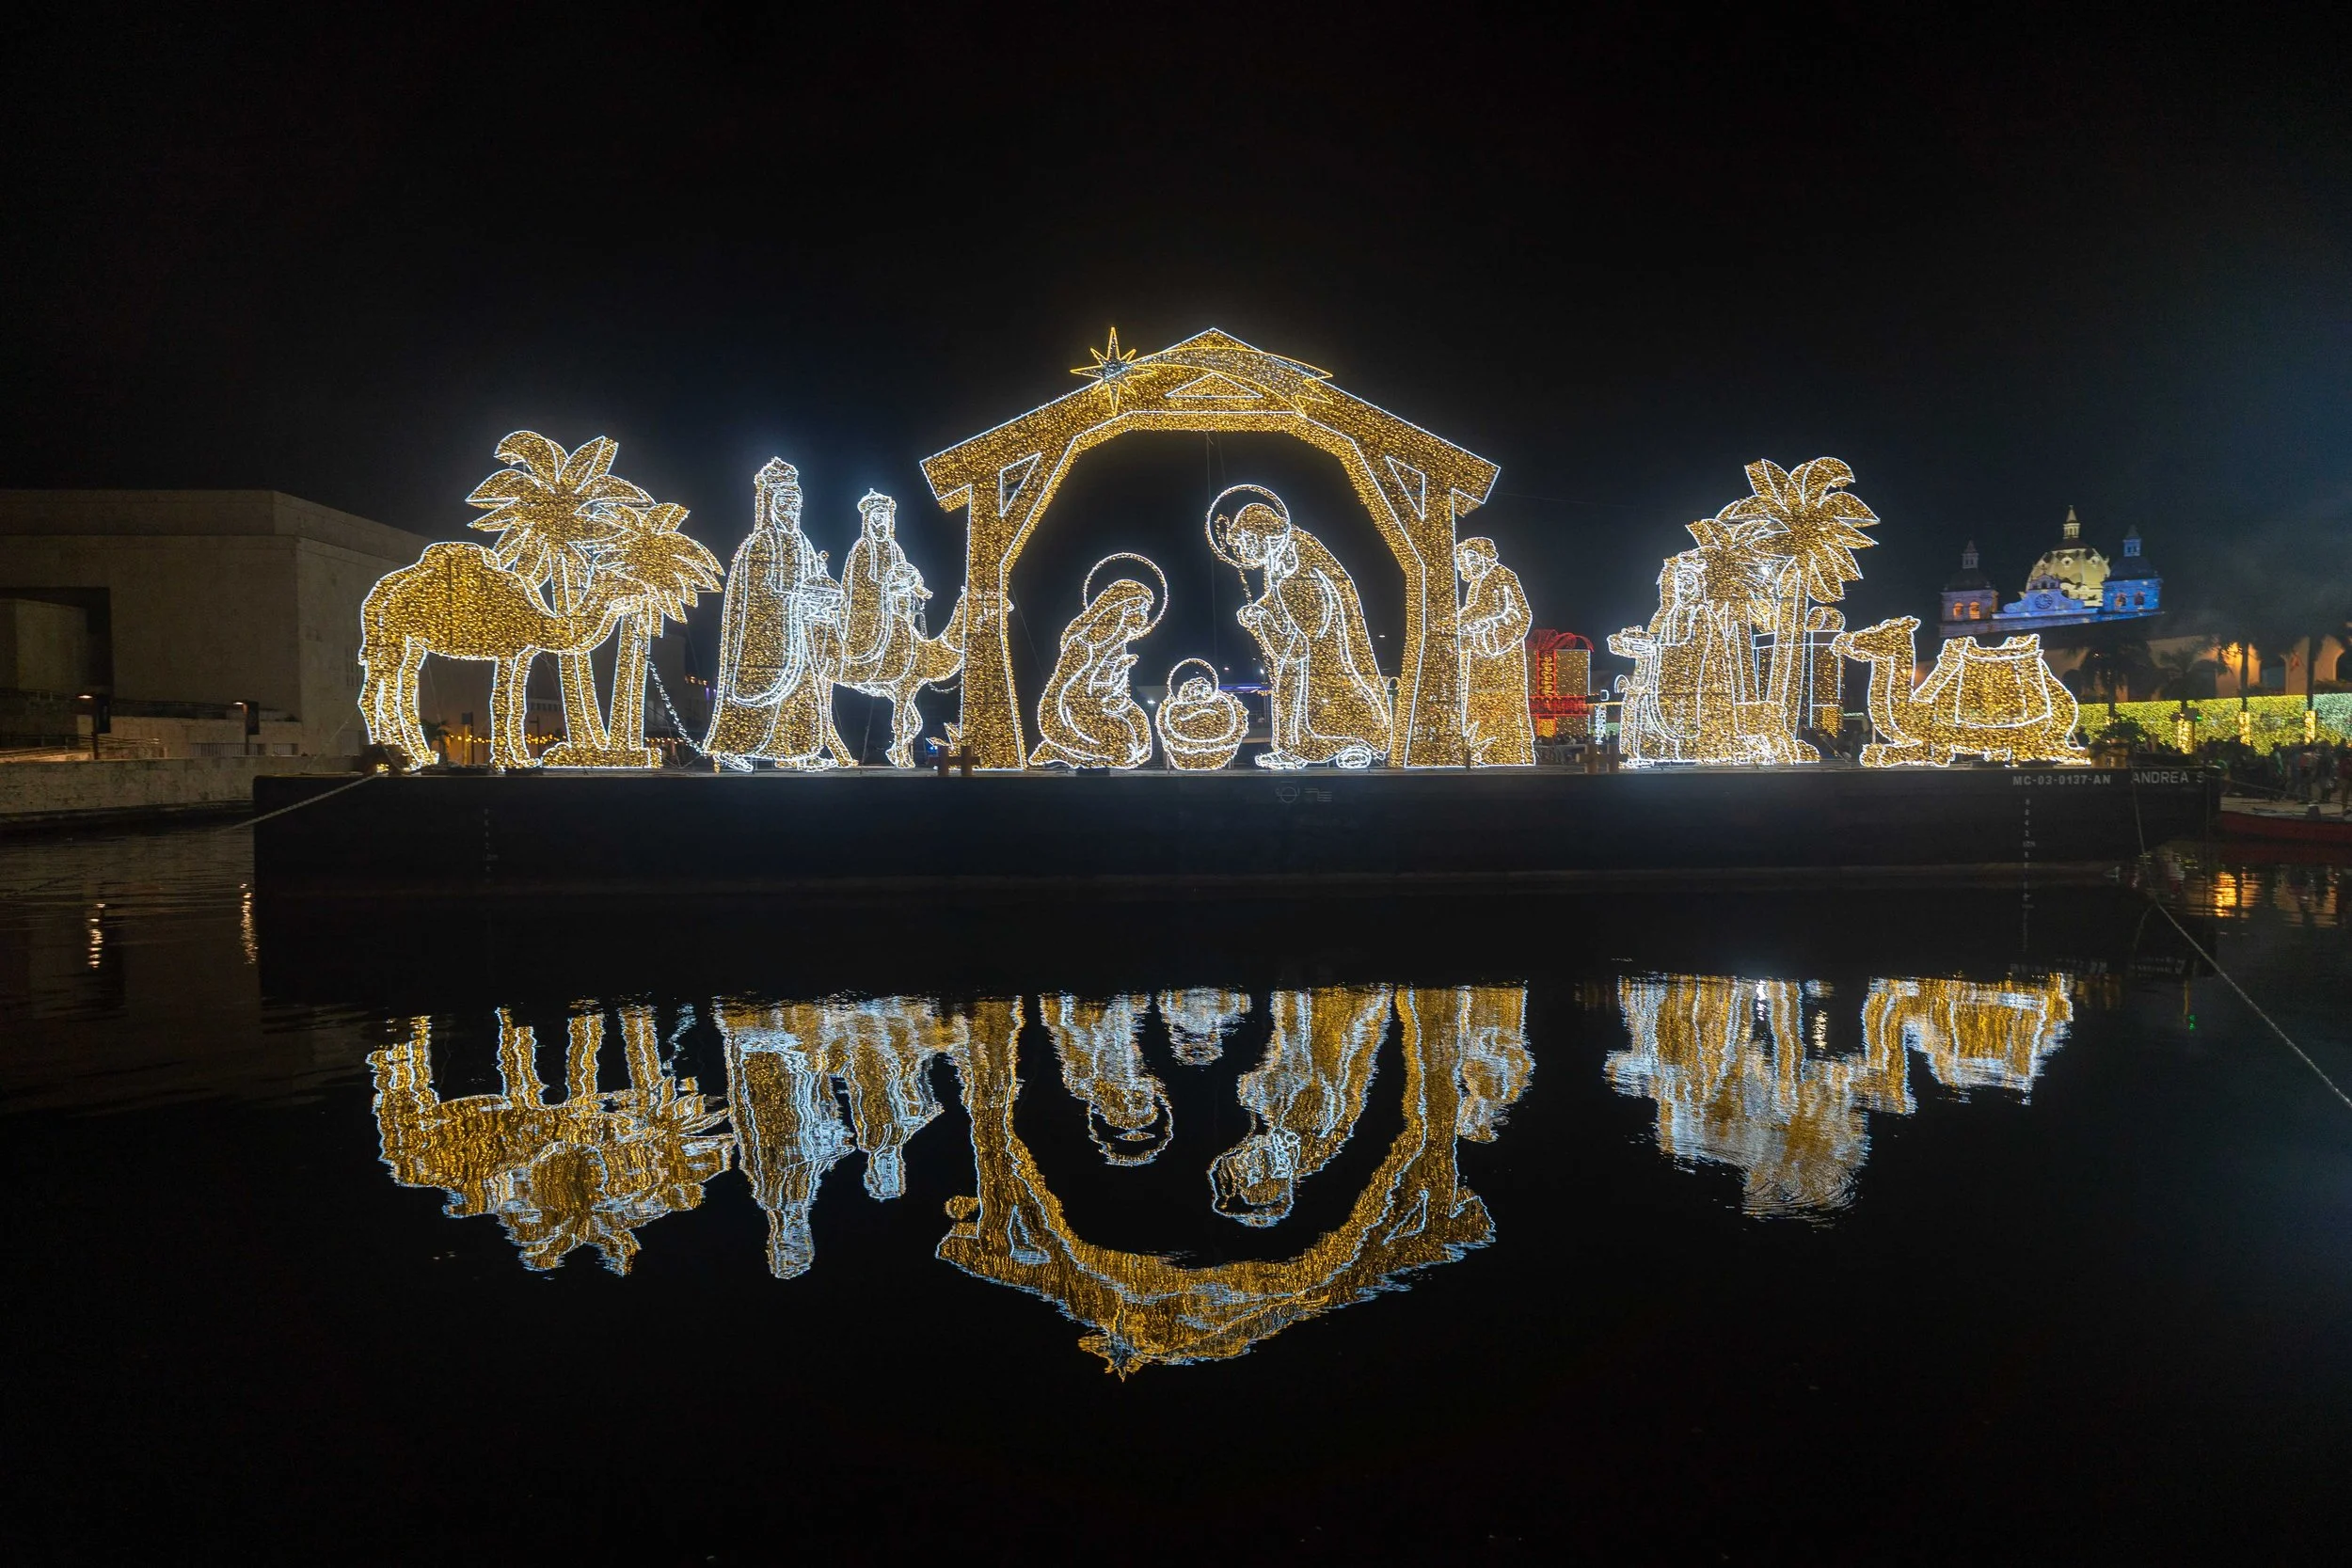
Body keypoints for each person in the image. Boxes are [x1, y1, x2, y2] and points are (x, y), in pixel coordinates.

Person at [1218, 490, 1391, 768]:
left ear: (1265, 534)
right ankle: (1293, 749)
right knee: (1291, 689)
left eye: (1247, 542)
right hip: (1301, 643)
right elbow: (1278, 595)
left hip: (1324, 642)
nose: (1244, 552)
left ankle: (1358, 744)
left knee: (1333, 689)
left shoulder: (1298, 550)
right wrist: (1260, 609)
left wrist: (1262, 619)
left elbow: (1304, 604)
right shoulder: (1277, 557)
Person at [703, 458, 854, 770]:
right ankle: (731, 749)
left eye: (795, 503)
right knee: (756, 694)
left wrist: (823, 595)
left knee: (805, 693)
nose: (791, 509)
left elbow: (815, 582)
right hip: (764, 638)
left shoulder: (803, 543)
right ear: (769, 504)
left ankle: (800, 753)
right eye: (784, 502)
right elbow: (756, 594)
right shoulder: (759, 544)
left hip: (801, 637)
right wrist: (797, 598)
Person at [1456, 535, 1535, 767]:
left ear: (1484, 556)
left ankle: (1505, 751)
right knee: (1477, 701)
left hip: (1500, 656)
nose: (1467, 564)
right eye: (1464, 560)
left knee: (1502, 702)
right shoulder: (1478, 582)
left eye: (1471, 558)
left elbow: (1496, 610)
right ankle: (1478, 750)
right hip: (1480, 653)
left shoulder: (1500, 575)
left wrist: (1466, 621)